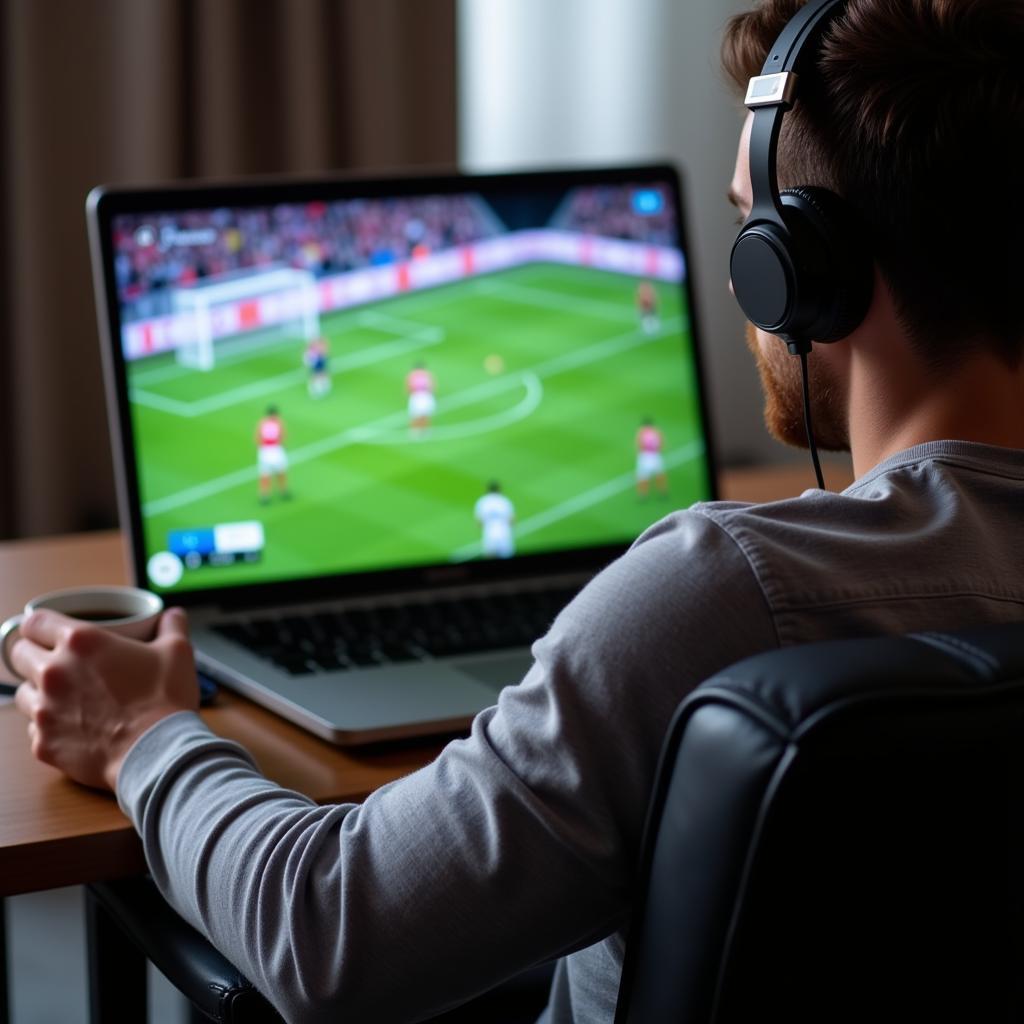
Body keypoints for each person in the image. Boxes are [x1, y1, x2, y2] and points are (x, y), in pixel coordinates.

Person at [10, 3, 1024, 1022]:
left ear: (804, 276)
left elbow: (330, 936)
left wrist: (144, 733)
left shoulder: (726, 592)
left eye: (742, 226)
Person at [255, 405, 289, 503]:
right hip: (275, 449)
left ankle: (264, 495)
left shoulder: (262, 423)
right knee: (280, 472)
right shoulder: (278, 423)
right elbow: (283, 435)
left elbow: (257, 437)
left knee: (266, 474)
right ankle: (283, 491)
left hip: (265, 450)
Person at [474, 480, 516, 559]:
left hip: (489, 535)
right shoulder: (504, 500)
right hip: (504, 534)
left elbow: (479, 523)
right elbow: (512, 521)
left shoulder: (483, 501)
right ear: (499, 489)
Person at [635, 416, 668, 499]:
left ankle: (643, 495)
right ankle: (663, 493)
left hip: (645, 456)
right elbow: (661, 443)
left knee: (643, 477)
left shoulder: (641, 432)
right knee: (660, 475)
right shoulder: (656, 432)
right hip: (655, 455)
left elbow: (639, 445)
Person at [406, 360, 436, 437]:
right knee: (416, 414)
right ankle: (415, 430)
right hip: (418, 395)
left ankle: (423, 430)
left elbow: (431, 385)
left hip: (422, 395)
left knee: (424, 413)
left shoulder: (424, 375)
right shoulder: (415, 375)